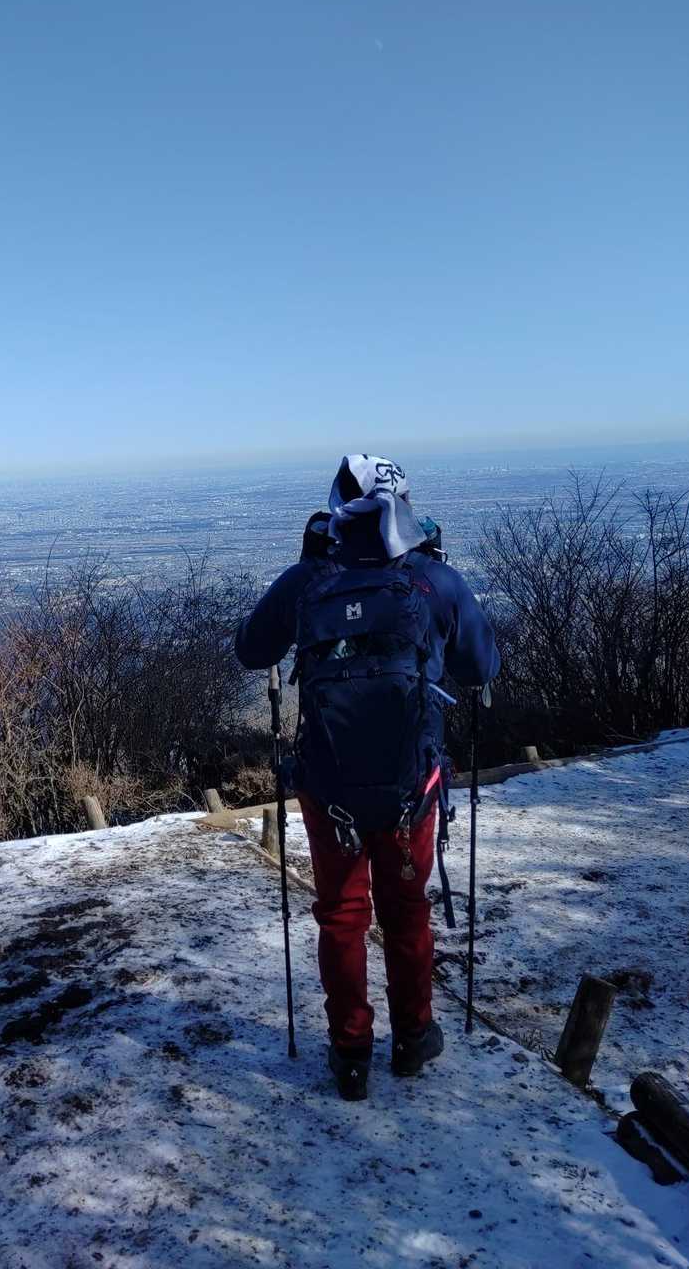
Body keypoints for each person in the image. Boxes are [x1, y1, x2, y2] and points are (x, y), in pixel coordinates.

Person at [235, 455, 499, 1099]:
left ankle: (350, 1053)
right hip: (412, 786)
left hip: (329, 785)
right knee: (406, 911)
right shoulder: (433, 579)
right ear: (404, 503)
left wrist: (306, 573)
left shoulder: (309, 580)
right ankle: (414, 1038)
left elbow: (251, 650)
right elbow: (481, 666)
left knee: (342, 914)